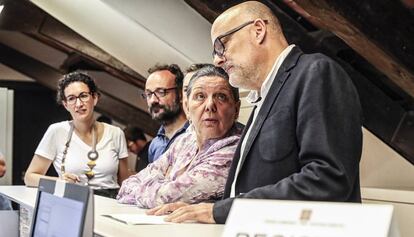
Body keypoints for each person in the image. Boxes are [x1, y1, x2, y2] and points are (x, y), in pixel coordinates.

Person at [147, 1, 363, 224]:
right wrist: (209, 208)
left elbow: (328, 179)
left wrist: (220, 211)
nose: (217, 59)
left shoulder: (315, 72)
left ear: (258, 30)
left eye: (222, 45)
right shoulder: (265, 95)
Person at [117, 66, 243, 208]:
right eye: (200, 96)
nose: (209, 105)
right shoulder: (185, 140)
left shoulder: (234, 150)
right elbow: (126, 187)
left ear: (236, 109)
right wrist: (166, 184)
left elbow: (163, 198)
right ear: (187, 108)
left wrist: (163, 179)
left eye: (221, 97)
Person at [24, 71, 130, 198]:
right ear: (65, 104)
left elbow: (125, 183)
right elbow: (30, 177)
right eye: (71, 98)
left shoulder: (115, 133)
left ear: (95, 98)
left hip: (110, 204)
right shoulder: (56, 131)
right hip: (72, 202)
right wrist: (59, 181)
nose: (79, 104)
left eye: (83, 96)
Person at [143, 64, 189, 163]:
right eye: (149, 94)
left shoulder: (195, 134)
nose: (153, 100)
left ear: (180, 95)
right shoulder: (155, 145)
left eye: (161, 92)